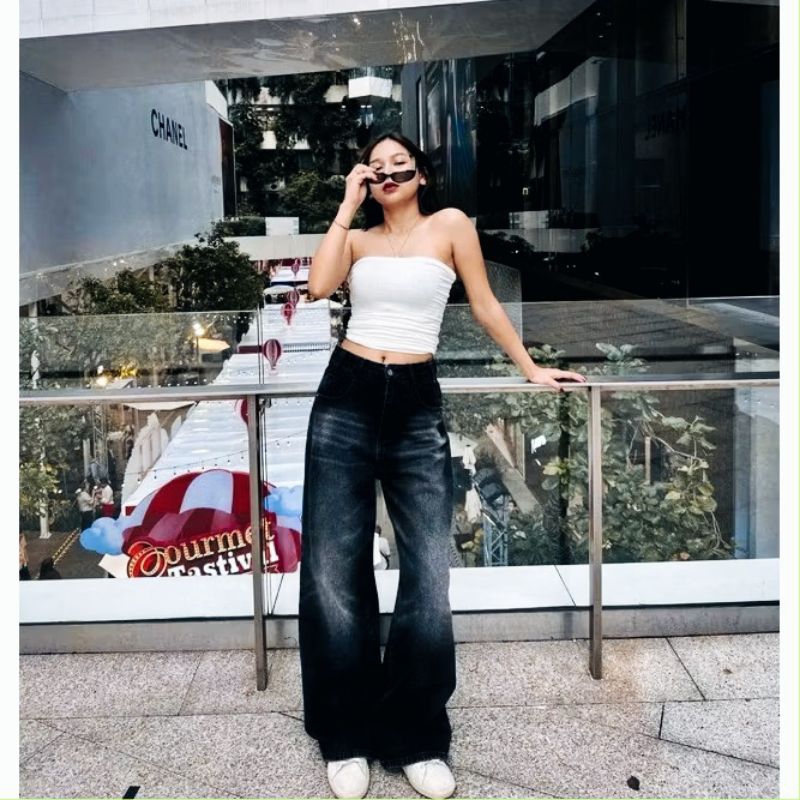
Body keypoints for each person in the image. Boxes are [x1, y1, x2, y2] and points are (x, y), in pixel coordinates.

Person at [299, 132, 586, 800]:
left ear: (422, 175)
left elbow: (484, 304)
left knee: (429, 572)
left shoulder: (451, 225)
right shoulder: (358, 238)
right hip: (345, 396)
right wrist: (345, 205)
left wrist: (531, 368)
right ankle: (345, 734)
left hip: (414, 401)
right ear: (366, 179)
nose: (389, 173)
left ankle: (416, 735)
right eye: (376, 167)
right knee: (333, 571)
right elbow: (316, 286)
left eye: (401, 165)